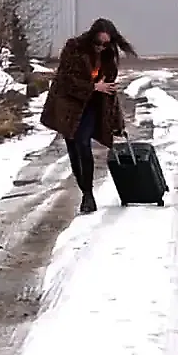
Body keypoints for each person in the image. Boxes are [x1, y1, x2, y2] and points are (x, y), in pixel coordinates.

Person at [40, 18, 136, 214]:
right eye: (98, 42)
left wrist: (117, 122)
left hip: (92, 105)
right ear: (91, 37)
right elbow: (64, 80)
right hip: (68, 105)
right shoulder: (74, 48)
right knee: (73, 148)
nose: (101, 47)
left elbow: (110, 92)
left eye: (106, 44)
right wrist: (93, 86)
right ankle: (84, 188)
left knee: (83, 143)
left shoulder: (108, 56)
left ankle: (88, 195)